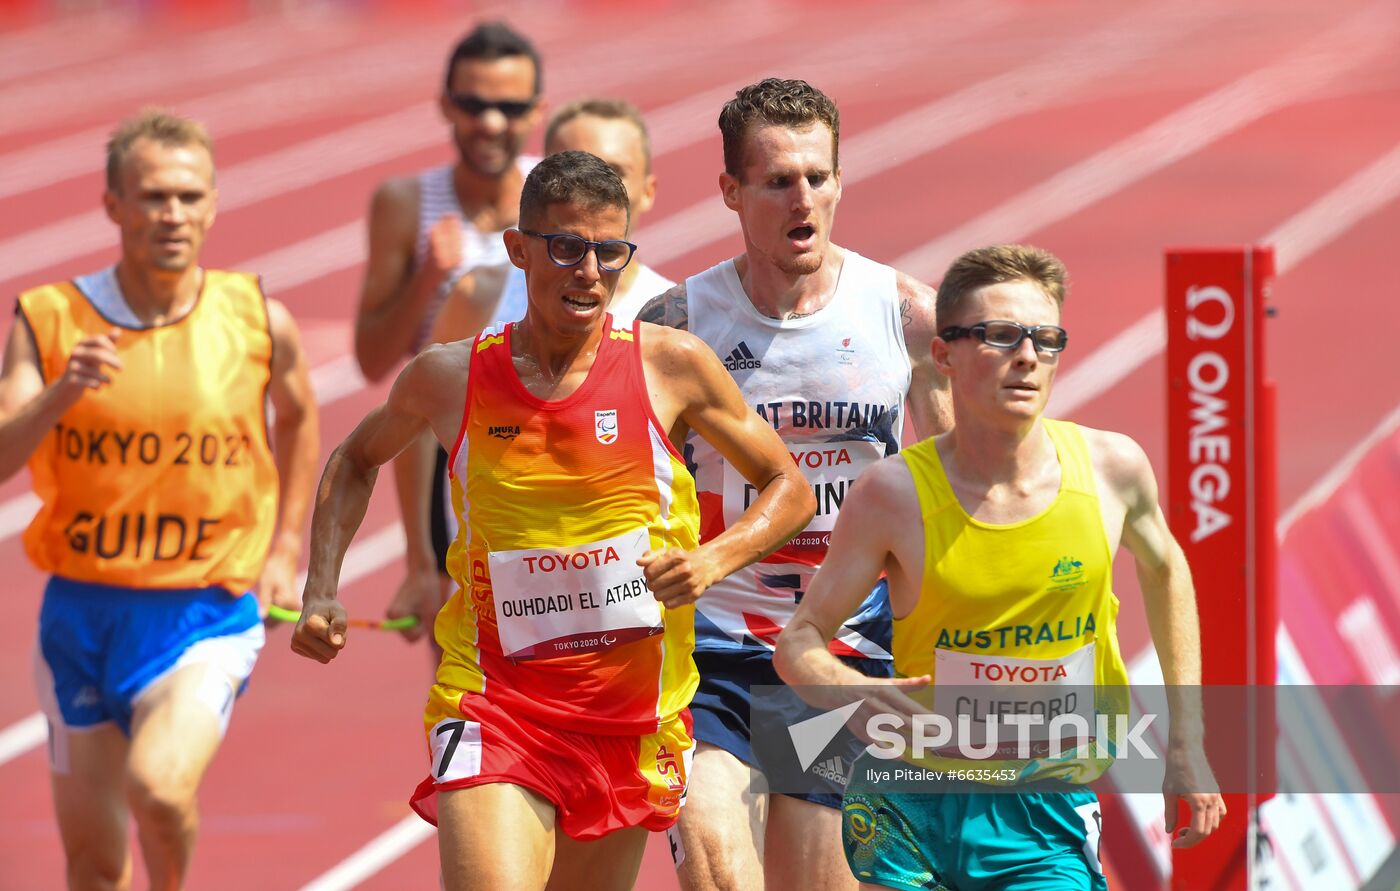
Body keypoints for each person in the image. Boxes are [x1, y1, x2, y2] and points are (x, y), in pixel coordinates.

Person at [291, 151, 815, 891]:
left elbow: (788, 487)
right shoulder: (453, 375)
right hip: (494, 702)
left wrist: (713, 559)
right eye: (566, 247)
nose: (590, 272)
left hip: (630, 716)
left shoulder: (672, 366)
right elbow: (353, 460)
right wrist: (321, 589)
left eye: (610, 251)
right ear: (518, 249)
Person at [775, 244, 1226, 890]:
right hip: (910, 798)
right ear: (944, 354)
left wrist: (1186, 740)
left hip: (1044, 807)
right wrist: (851, 689)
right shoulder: (892, 495)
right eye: (999, 335)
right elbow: (799, 639)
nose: (1027, 356)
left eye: (1045, 339)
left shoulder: (1112, 471)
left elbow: (1166, 569)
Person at [636, 78, 948, 891]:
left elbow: (955, 495)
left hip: (845, 647)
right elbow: (634, 491)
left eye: (818, 175)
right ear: (732, 192)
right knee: (712, 851)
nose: (802, 196)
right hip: (715, 652)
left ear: (840, 181)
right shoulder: (678, 325)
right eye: (778, 180)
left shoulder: (906, 317)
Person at [0, 109, 319, 890]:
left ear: (212, 204)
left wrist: (286, 547)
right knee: (94, 864)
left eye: (188, 196)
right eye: (151, 196)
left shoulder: (256, 317)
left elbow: (303, 416)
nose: (172, 214)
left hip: (201, 614)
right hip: (80, 616)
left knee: (159, 788)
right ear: (113, 205)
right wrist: (59, 394)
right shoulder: (49, 320)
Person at [353, 20, 544, 643]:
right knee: (463, 660)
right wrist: (427, 274)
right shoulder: (405, 204)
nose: (491, 122)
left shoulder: (555, 197)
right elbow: (374, 361)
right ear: (445, 106)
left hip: (549, 443)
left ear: (537, 110)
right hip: (448, 456)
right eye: (473, 103)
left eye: (510, 106)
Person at [431, 96, 673, 346]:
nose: (593, 187)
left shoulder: (674, 317)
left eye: (613, 172)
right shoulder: (478, 295)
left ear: (648, 191)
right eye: (572, 169)